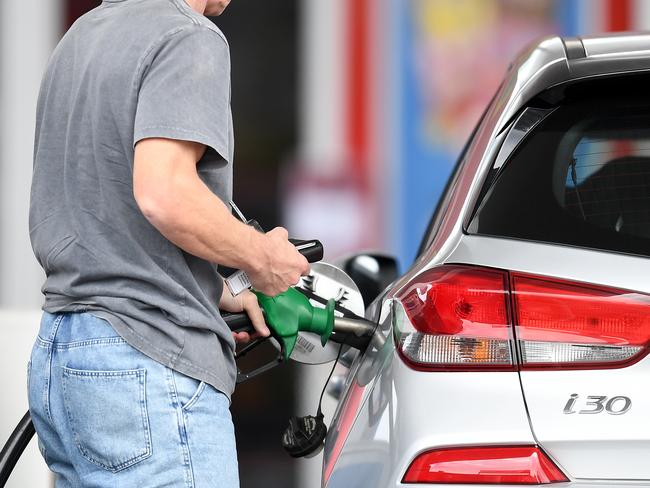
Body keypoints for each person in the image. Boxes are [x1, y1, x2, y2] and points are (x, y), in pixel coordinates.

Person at [27, 0, 309, 486]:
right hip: (146, 361)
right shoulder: (187, 36)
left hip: (63, 355)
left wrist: (214, 288)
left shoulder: (82, 36)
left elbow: (100, 212)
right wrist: (261, 258)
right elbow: (163, 193)